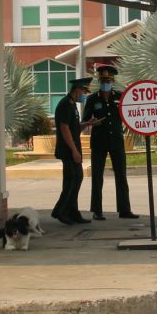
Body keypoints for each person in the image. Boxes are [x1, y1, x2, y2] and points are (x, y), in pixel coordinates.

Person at [82, 63, 138, 220]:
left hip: (116, 141)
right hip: (99, 142)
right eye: (103, 81)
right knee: (97, 177)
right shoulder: (92, 99)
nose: (105, 84)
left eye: (108, 81)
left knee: (121, 175)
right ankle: (97, 211)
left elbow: (131, 112)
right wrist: (90, 122)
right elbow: (85, 120)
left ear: (113, 81)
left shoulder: (120, 97)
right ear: (99, 82)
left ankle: (124, 210)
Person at [51, 77, 92, 226]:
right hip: (68, 150)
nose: (85, 94)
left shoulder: (73, 105)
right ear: (77, 90)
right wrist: (74, 151)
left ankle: (73, 212)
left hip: (73, 148)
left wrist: (86, 124)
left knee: (76, 178)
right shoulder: (65, 104)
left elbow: (73, 127)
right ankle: (60, 211)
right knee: (72, 179)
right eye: (84, 91)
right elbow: (64, 128)